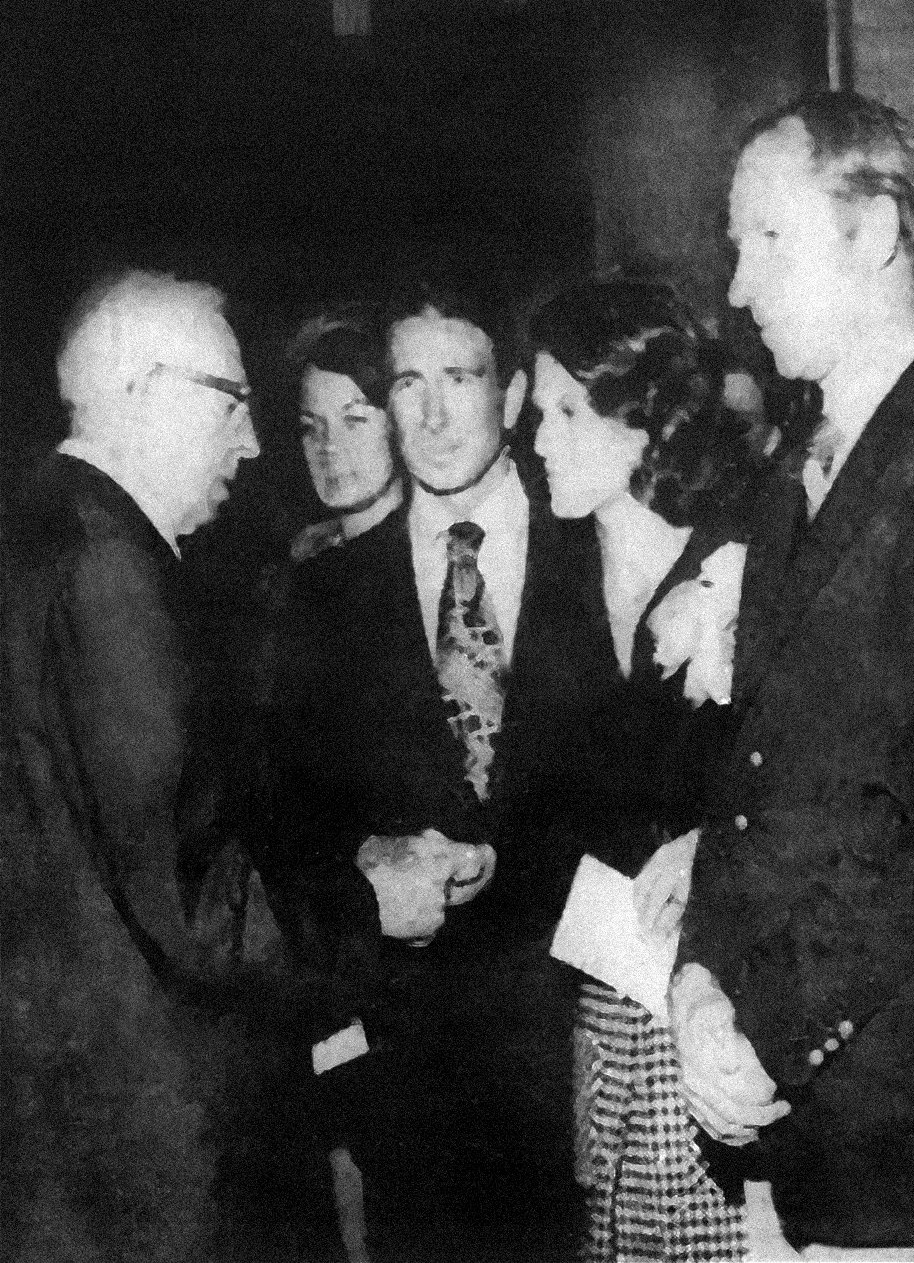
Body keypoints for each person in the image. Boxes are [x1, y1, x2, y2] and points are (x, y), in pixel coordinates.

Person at [669, 89, 914, 1254]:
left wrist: (761, 1022)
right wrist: (701, 983)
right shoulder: (791, 469)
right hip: (774, 1097)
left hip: (887, 1113)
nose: (740, 288)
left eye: (768, 240)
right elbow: (754, 778)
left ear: (872, 234)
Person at [265, 284, 581, 1261]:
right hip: (412, 1094)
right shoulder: (320, 600)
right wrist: (367, 854)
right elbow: (282, 826)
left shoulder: (597, 549)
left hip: (588, 1063)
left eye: (461, 377)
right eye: (409, 383)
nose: (434, 414)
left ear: (516, 393)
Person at [2, 270, 272, 1262]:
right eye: (234, 402)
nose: (252, 442)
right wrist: (370, 905)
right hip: (139, 1144)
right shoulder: (110, 567)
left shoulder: (32, 527)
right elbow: (188, 903)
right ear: (142, 388)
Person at [525, 279, 776, 1261]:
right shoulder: (550, 586)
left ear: (645, 426)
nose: (536, 438)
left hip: (718, 1014)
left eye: (565, 412)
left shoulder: (743, 561)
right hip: (601, 1009)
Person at [290, 308, 404, 560]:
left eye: (353, 420)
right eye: (310, 427)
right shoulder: (312, 550)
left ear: (394, 425)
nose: (328, 445)